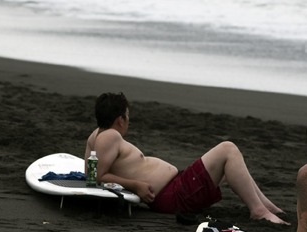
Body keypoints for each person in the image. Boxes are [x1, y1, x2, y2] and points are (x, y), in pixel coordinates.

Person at [84, 92, 287, 223]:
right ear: (120, 120)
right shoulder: (110, 136)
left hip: (176, 187)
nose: (129, 120)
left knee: (232, 164)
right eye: (127, 116)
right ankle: (258, 210)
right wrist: (135, 185)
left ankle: (265, 206)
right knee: (228, 149)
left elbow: (90, 172)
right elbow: (100, 176)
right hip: (174, 195)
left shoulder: (97, 135)